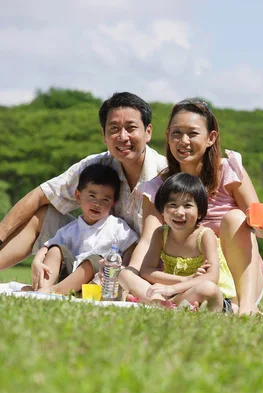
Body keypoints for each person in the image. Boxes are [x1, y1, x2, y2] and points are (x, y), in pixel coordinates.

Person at [120, 98, 263, 315]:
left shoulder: (229, 171)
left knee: (235, 218)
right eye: (176, 133)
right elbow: (148, 238)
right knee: (126, 274)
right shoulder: (158, 187)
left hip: (235, 280)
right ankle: (172, 303)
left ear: (211, 138)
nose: (183, 141)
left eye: (192, 133)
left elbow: (260, 228)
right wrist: (133, 275)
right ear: (167, 136)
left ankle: (245, 307)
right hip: (181, 278)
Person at [0, 92, 167, 271]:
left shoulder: (165, 173)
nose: (123, 137)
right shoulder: (97, 165)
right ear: (104, 135)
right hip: (93, 255)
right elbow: (41, 195)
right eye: (114, 128)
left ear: (148, 132)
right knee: (42, 215)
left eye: (131, 128)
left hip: (147, 263)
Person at [23, 164, 137, 295]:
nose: (97, 204)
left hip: (98, 282)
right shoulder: (70, 229)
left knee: (95, 260)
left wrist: (123, 268)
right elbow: (47, 247)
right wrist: (37, 261)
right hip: (68, 277)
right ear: (78, 196)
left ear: (113, 203)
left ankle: (53, 291)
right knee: (55, 249)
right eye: (92, 196)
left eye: (105, 199)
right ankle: (44, 288)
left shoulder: (117, 226)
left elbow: (132, 247)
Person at [140, 172, 236, 312]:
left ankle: (164, 305)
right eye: (172, 204)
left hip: (209, 296)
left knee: (207, 288)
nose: (179, 212)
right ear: (162, 210)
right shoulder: (161, 234)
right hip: (176, 294)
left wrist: (172, 287)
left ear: (200, 212)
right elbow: (146, 271)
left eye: (187, 205)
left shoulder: (205, 235)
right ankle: (171, 305)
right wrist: (185, 280)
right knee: (125, 274)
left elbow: (212, 277)